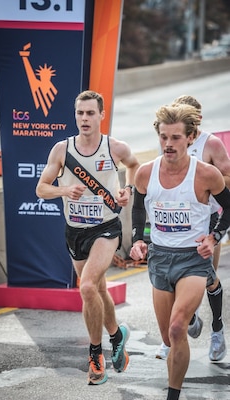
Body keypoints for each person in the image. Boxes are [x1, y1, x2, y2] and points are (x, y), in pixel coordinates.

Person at [36, 90, 139, 385]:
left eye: (90, 113)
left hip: (105, 228)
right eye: (80, 113)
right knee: (98, 290)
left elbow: (133, 166)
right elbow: (41, 189)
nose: (84, 119)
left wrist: (127, 190)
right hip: (75, 230)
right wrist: (63, 191)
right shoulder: (61, 150)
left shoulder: (114, 148)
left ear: (101, 116)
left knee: (88, 287)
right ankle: (117, 335)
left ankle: (96, 356)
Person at [129, 104, 230, 400]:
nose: (168, 144)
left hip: (193, 261)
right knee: (168, 338)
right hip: (160, 258)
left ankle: (173, 395)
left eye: (175, 138)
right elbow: (137, 208)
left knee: (175, 329)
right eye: (163, 137)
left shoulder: (206, 174)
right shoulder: (146, 173)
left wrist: (214, 236)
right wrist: (138, 239)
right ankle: (193, 321)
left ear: (190, 137)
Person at [155, 95, 230, 361]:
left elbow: (227, 178)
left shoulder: (211, 143)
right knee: (170, 279)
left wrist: (204, 177)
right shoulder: (170, 139)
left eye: (194, 117)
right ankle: (180, 328)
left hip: (207, 219)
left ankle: (217, 331)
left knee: (208, 276)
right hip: (177, 221)